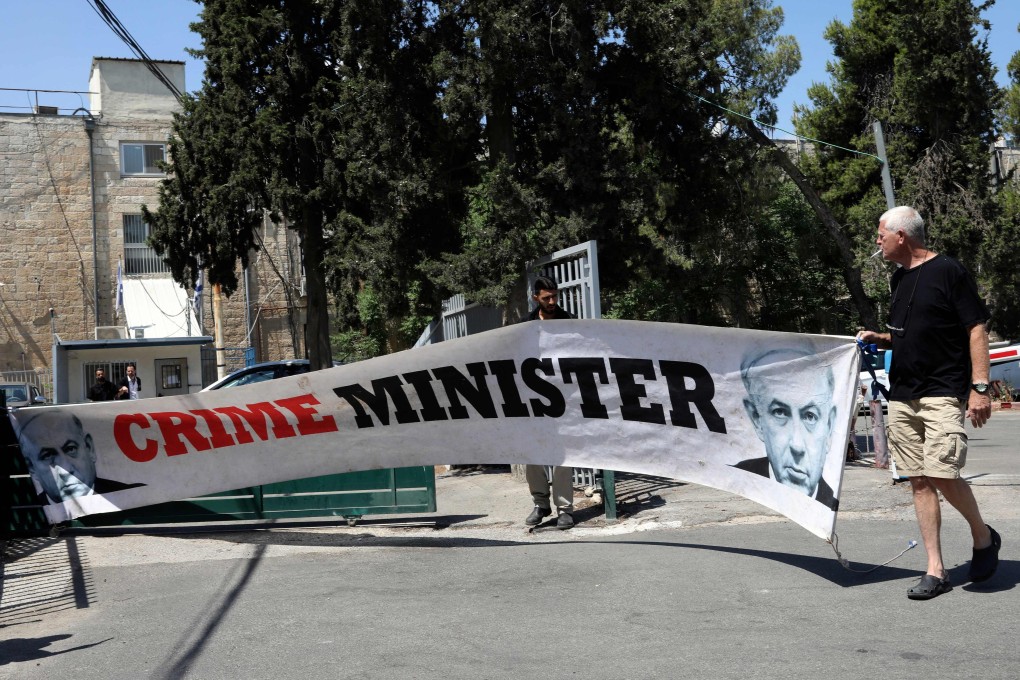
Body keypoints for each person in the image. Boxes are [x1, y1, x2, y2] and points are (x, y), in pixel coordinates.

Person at [858, 205, 1000, 601]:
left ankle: (983, 536)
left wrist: (980, 387)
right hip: (903, 393)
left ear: (901, 236)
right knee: (919, 479)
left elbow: (975, 327)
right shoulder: (898, 280)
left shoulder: (948, 271)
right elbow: (912, 333)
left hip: (942, 389)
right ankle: (935, 570)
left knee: (942, 472)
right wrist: (881, 339)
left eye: (880, 233)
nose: (877, 240)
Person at [735, 346, 839, 511]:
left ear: (829, 426)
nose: (797, 445)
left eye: (810, 416)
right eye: (780, 412)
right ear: (756, 419)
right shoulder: (735, 481)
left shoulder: (831, 508)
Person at [523, 275, 577, 530]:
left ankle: (565, 509)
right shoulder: (526, 326)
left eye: (555, 296)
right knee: (532, 453)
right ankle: (540, 504)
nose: (552, 301)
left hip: (566, 397)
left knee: (564, 455)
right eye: (547, 298)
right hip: (534, 398)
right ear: (536, 298)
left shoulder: (570, 322)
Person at [13, 409, 143, 505]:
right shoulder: (25, 511)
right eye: (47, 456)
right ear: (32, 468)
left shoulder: (134, 495)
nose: (65, 468)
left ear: (89, 448)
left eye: (71, 449)